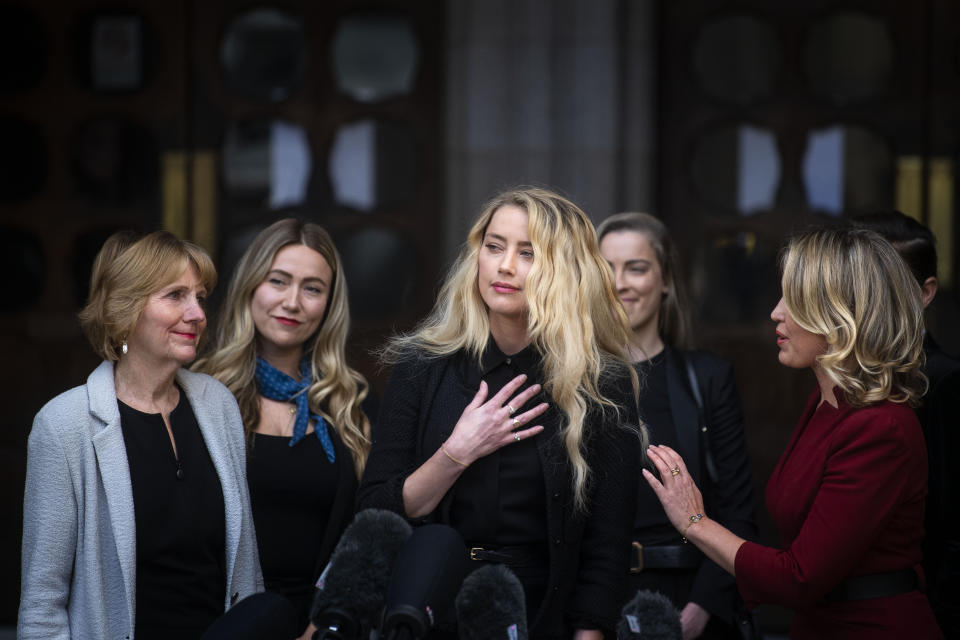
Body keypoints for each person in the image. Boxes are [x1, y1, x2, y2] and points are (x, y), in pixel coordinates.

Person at [357, 187, 641, 639]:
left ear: (566, 271)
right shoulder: (421, 365)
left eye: (528, 253)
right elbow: (376, 511)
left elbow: (607, 540)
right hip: (433, 604)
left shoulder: (601, 383)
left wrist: (590, 632)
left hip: (544, 609)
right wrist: (457, 451)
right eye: (493, 247)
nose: (504, 265)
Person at [643, 227, 943, 639]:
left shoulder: (880, 427)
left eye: (794, 301)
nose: (776, 313)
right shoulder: (826, 402)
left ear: (841, 315)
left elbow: (798, 577)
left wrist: (695, 522)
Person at [18, 231, 262, 640]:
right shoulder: (64, 425)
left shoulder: (217, 404)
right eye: (175, 296)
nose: (198, 313)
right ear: (125, 310)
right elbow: (43, 604)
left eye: (200, 297)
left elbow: (245, 566)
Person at [194, 218, 372, 639]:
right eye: (278, 281)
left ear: (329, 304)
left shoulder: (349, 402)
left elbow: (369, 527)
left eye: (312, 288)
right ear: (251, 287)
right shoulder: (201, 395)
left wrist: (327, 618)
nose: (292, 302)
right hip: (226, 622)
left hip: (327, 625)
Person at [597, 212, 756, 640]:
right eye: (605, 268)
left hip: (690, 595)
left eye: (636, 267)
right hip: (596, 602)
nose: (619, 283)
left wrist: (702, 608)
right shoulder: (571, 382)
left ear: (665, 280)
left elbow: (738, 511)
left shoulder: (708, 378)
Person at [852, 211, 960, 635]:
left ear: (925, 292)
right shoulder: (843, 378)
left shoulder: (946, 381)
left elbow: (952, 528)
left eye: (885, 283)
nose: (867, 298)